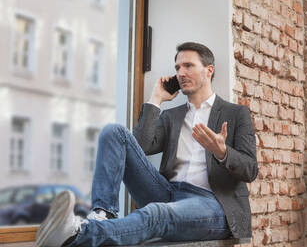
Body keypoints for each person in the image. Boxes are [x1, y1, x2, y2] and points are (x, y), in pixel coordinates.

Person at [36, 42, 258, 247]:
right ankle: (102, 213)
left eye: (188, 65)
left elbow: (250, 169)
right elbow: (139, 146)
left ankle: (76, 235)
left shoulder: (236, 113)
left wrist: (222, 152)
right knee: (114, 132)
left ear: (209, 70)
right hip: (168, 193)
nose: (181, 73)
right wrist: (156, 100)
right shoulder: (173, 116)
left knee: (156, 213)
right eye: (178, 67)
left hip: (213, 204)